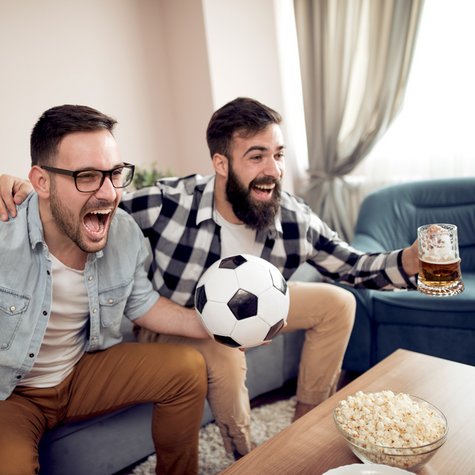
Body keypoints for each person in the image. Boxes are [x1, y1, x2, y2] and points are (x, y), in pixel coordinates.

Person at [0, 97, 420, 460]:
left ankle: (304, 427)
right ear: (221, 163)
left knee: (339, 301)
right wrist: (11, 187)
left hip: (231, 315)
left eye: (278, 154)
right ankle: (245, 453)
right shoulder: (166, 204)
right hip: (178, 320)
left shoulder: (292, 216)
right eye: (256, 156)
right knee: (222, 352)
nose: (272, 169)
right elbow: (76, 205)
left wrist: (410, 261)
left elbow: (351, 265)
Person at [0, 105, 210, 475]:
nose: (109, 192)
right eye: (87, 177)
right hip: (10, 396)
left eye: (114, 174)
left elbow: (142, 303)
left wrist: (217, 328)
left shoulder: (124, 231)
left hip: (79, 373)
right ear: (42, 181)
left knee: (187, 368)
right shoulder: (5, 234)